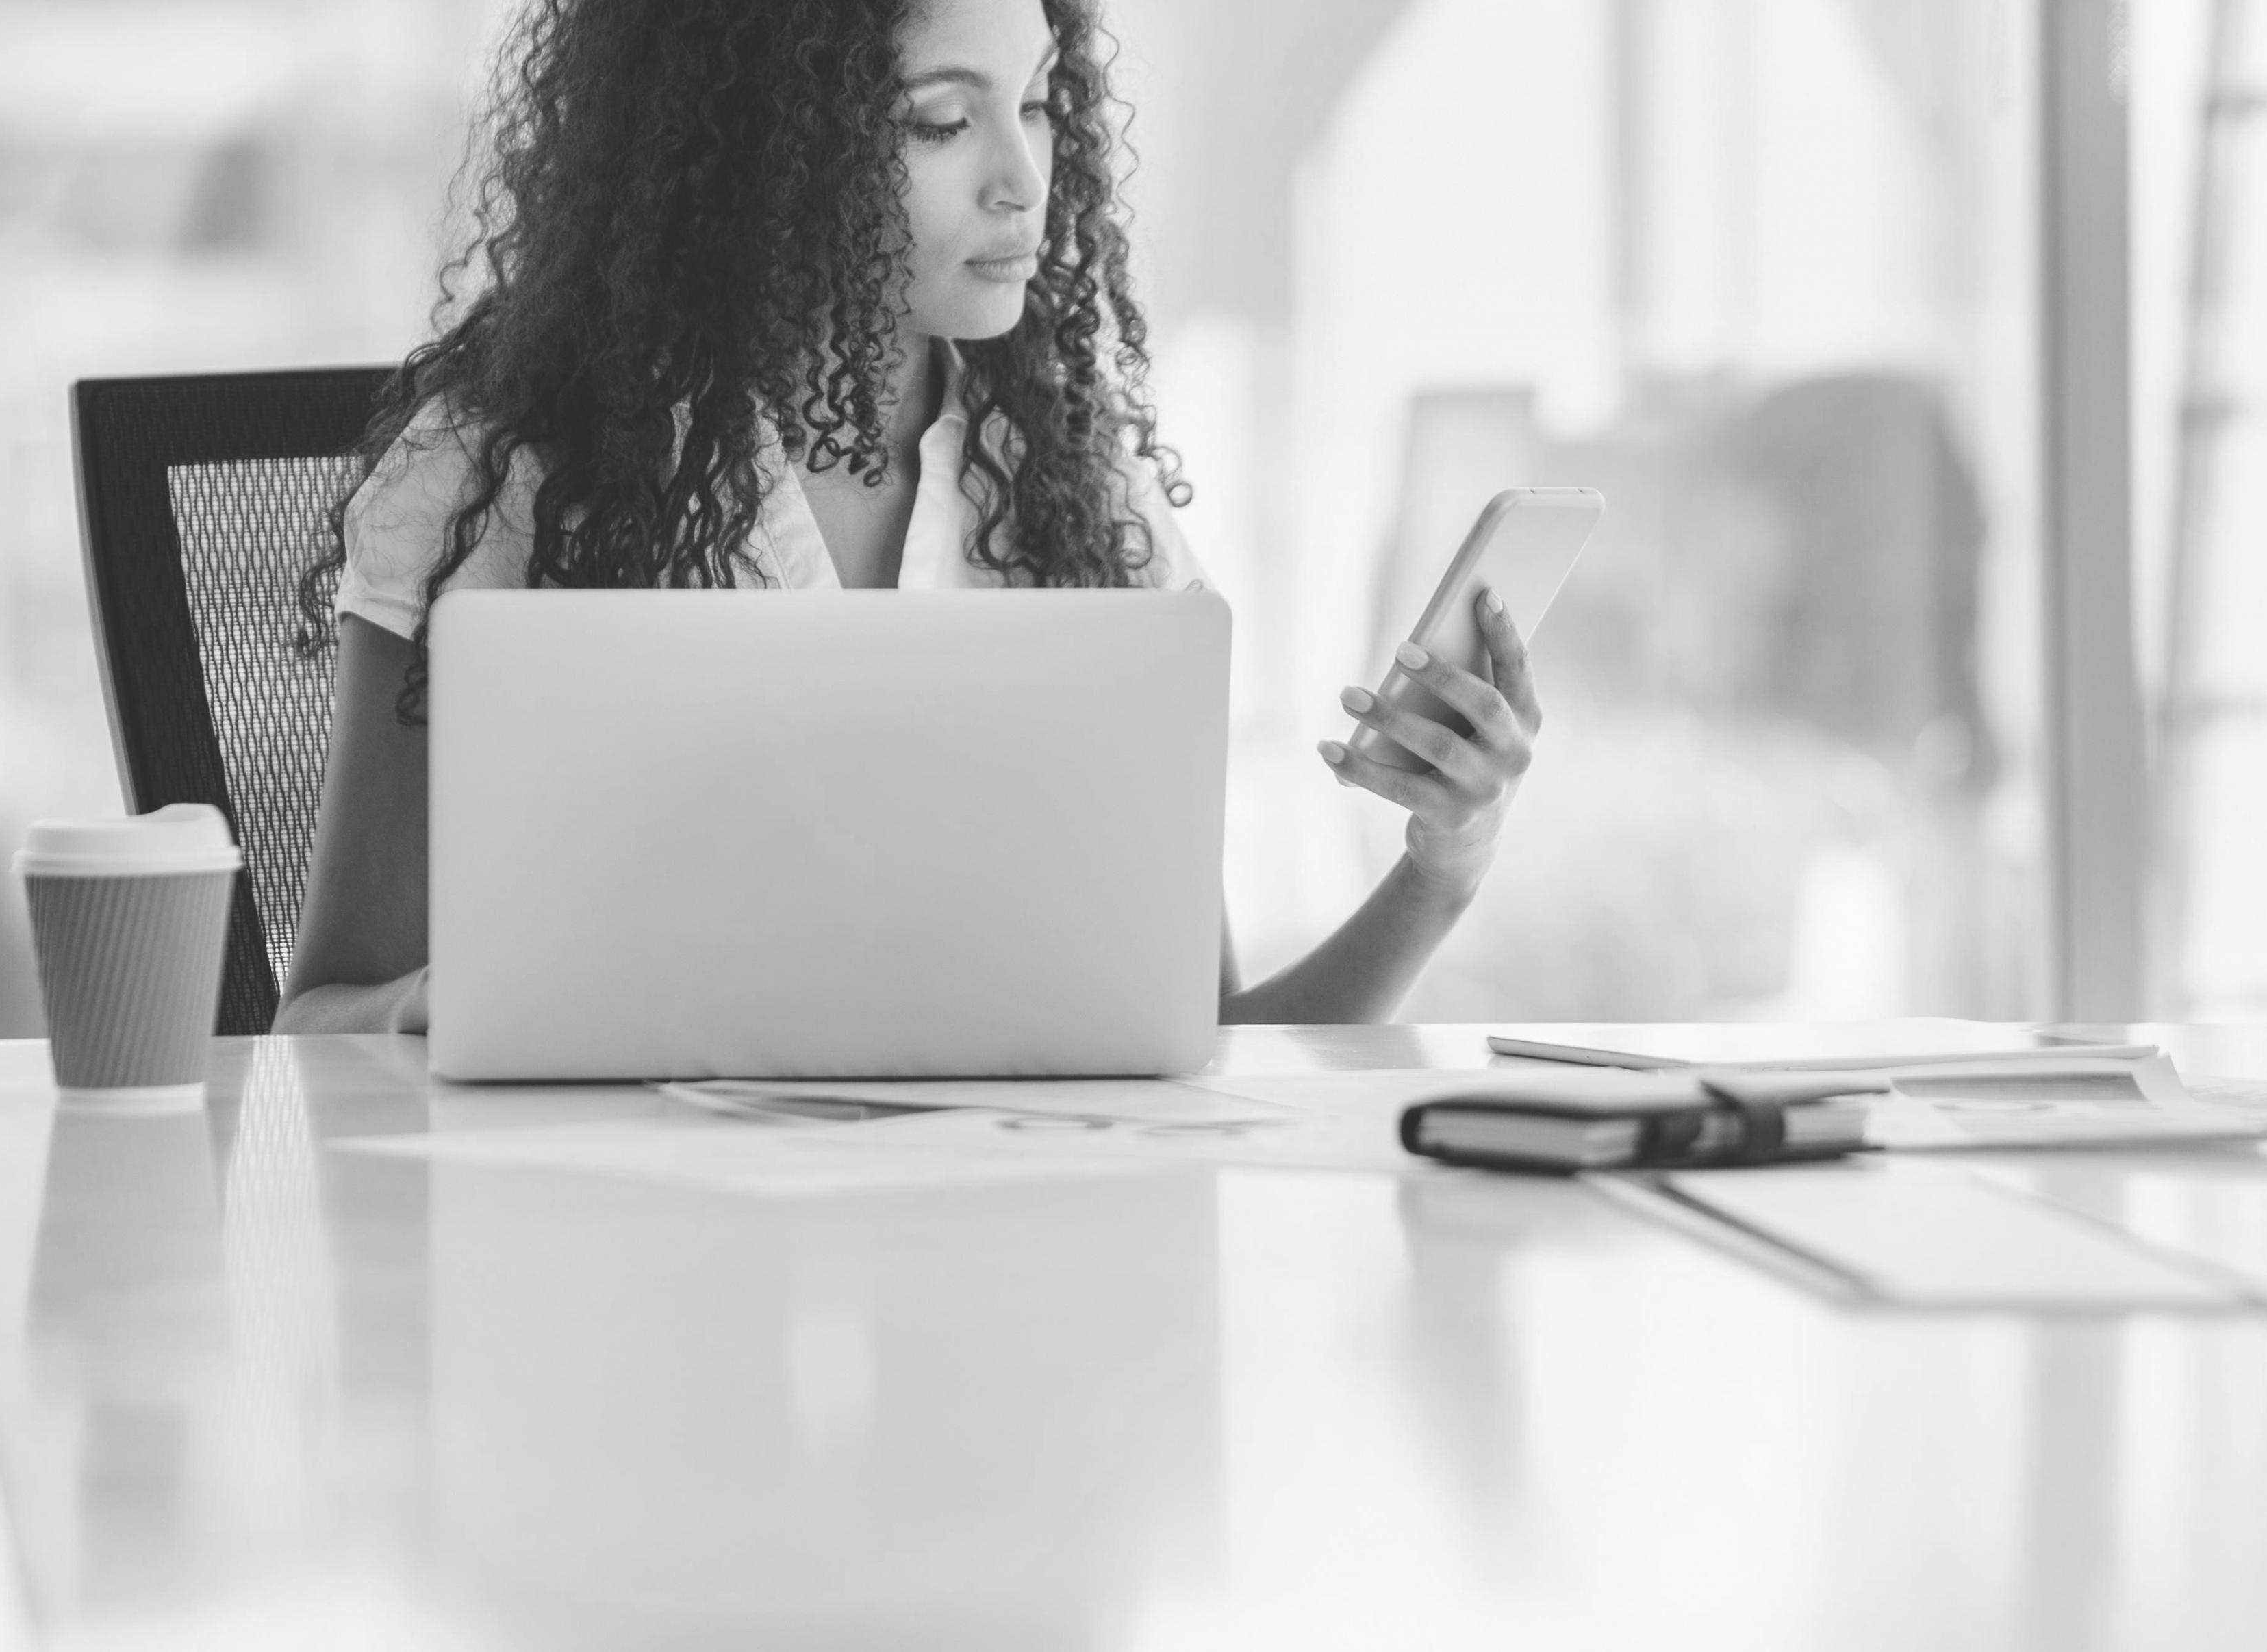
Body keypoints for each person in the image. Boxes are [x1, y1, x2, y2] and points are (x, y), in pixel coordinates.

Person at [275, 0, 1542, 1034]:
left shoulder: (1073, 492)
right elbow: (319, 1022)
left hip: (989, 1250)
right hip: (613, 1239)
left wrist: (1439, 871)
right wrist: (450, 1009)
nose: (1022, 180)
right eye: (940, 122)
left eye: (1037, 102)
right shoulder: (505, 475)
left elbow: (1201, 1045)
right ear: (767, 142)